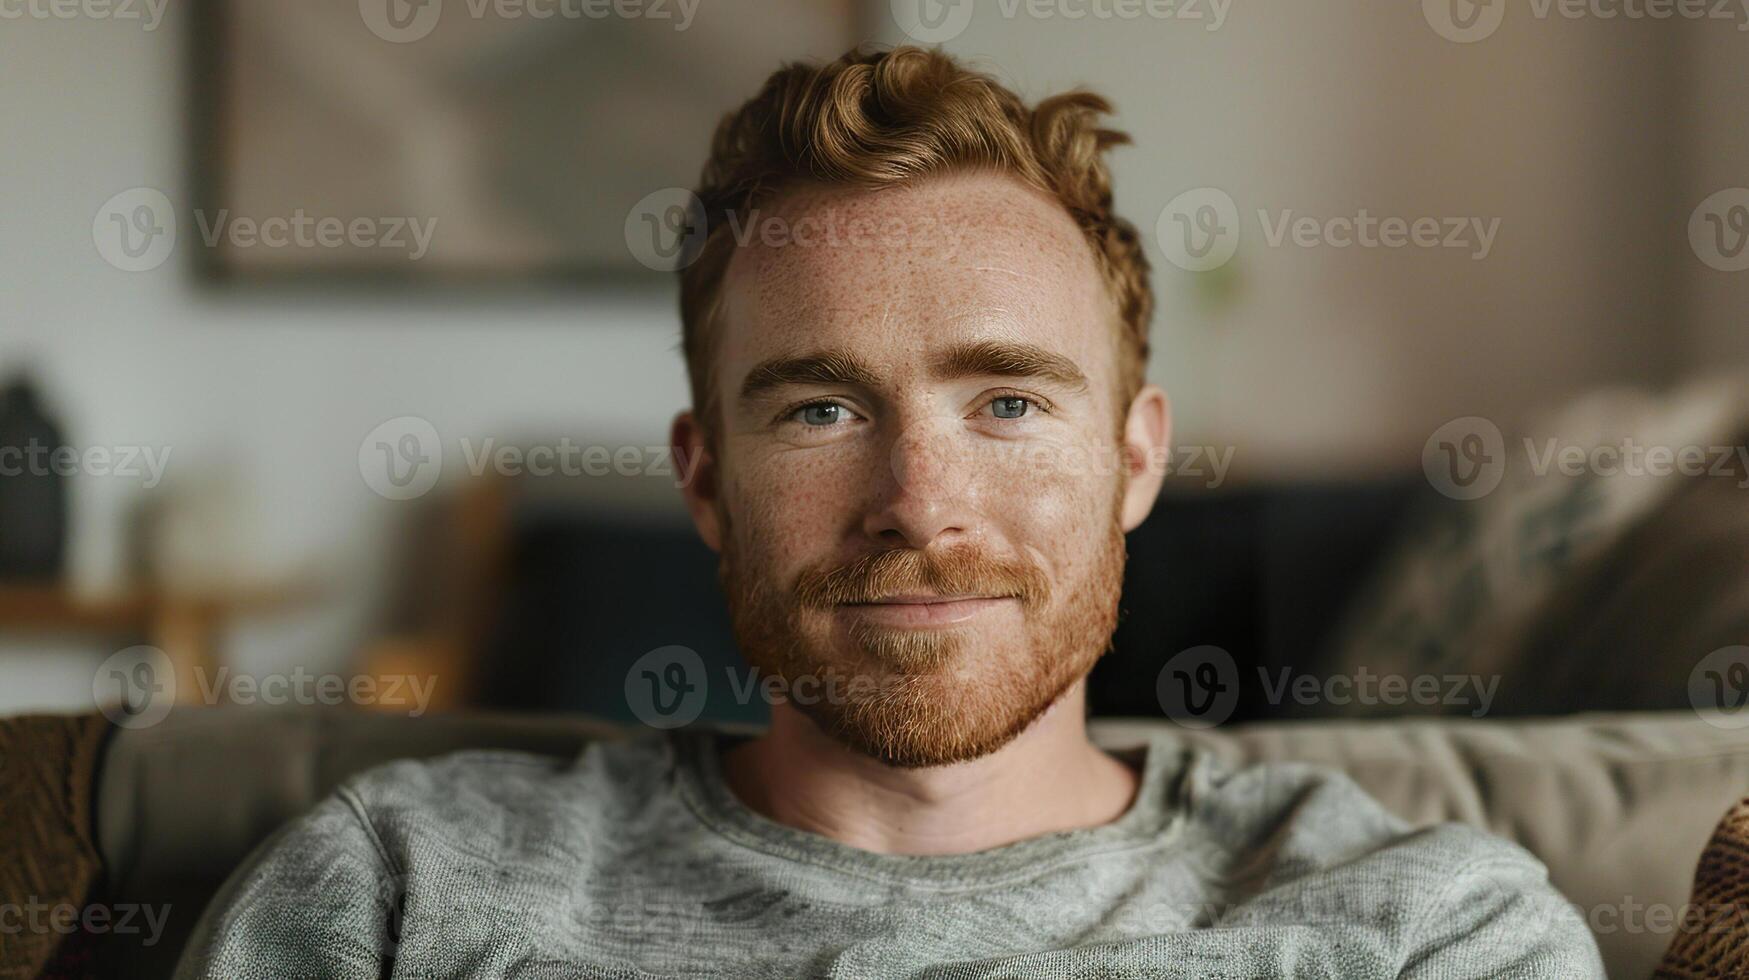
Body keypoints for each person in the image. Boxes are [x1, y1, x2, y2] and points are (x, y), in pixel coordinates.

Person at [176, 45, 1604, 978]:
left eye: (1008, 403)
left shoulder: (1425, 932)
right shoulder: (399, 893)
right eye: (819, 410)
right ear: (701, 479)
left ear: (1135, 459)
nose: (919, 504)